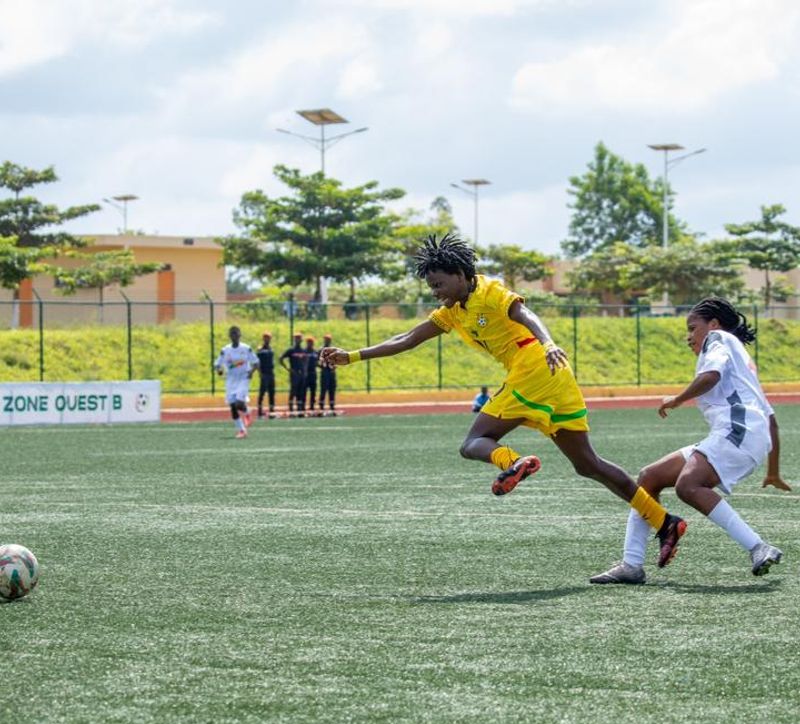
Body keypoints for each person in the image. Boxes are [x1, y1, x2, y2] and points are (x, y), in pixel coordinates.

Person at [320, 233, 686, 549]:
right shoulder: (453, 310)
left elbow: (524, 314)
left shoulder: (489, 291)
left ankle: (513, 462)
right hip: (554, 376)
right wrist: (352, 356)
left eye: (439, 284)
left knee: (473, 443)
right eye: (431, 287)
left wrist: (548, 342)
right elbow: (408, 338)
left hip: (535, 366)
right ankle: (664, 521)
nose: (436, 292)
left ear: (461, 275)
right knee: (588, 464)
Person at [590, 297, 789, 585]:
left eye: (692, 328)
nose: (689, 336)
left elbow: (711, 376)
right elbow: (771, 420)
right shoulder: (741, 361)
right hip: (741, 434)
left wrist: (677, 399)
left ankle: (758, 546)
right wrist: (773, 471)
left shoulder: (718, 339)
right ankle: (631, 565)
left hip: (738, 431)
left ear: (714, 324)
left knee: (689, 485)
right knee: (649, 477)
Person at [214, 325, 258, 439]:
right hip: (231, 380)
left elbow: (256, 362)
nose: (234, 336)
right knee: (233, 407)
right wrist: (219, 370)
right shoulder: (225, 350)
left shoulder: (246, 348)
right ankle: (242, 430)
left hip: (243, 378)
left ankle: (247, 412)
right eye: (232, 334)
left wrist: (251, 372)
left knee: (239, 403)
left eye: (236, 333)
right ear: (229, 336)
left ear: (240, 335)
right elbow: (217, 364)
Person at [280, 332, 307, 416]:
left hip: (301, 374)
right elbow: (281, 358)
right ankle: (291, 410)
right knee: (293, 391)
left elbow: (305, 361)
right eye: (296, 338)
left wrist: (304, 370)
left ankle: (299, 410)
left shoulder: (303, 350)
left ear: (301, 340)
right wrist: (288, 368)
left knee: (300, 392)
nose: (298, 340)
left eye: (299, 338)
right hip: (294, 374)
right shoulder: (291, 350)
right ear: (294, 340)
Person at [256, 330, 276, 419]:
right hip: (264, 373)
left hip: (271, 373)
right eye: (265, 338)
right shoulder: (261, 349)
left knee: (272, 392)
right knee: (262, 392)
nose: (267, 339)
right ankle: (260, 411)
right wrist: (260, 373)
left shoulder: (271, 349)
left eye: (268, 338)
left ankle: (272, 410)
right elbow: (257, 362)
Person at [318, 333, 338, 414]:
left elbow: (337, 360)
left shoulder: (333, 350)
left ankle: (332, 405)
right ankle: (321, 406)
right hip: (325, 371)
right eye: (326, 339)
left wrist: (335, 366)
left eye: (329, 340)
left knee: (332, 388)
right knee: (323, 388)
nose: (327, 341)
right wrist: (321, 366)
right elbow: (317, 360)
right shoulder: (321, 350)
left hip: (332, 372)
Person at [302, 335, 319, 411]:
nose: (310, 343)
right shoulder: (303, 352)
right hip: (306, 374)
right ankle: (302, 406)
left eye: (311, 342)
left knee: (313, 390)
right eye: (308, 342)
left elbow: (318, 362)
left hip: (313, 373)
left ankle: (312, 406)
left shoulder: (315, 352)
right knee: (304, 390)